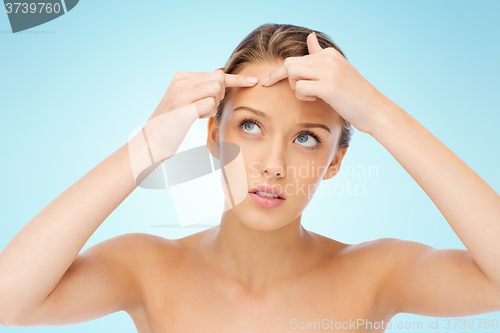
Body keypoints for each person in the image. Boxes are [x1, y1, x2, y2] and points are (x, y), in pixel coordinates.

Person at [1, 23, 500, 332]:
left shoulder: (376, 273)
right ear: (213, 134)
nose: (273, 164)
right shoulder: (147, 267)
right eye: (251, 126)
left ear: (335, 161)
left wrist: (382, 116)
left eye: (307, 137)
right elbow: (9, 303)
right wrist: (147, 147)